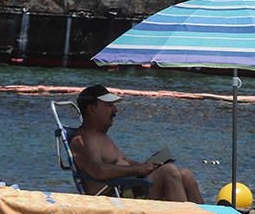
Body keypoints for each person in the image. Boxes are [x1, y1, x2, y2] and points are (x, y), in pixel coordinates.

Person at [70, 84, 204, 203]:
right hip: (112, 198)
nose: (115, 110)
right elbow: (98, 170)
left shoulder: (101, 137)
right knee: (168, 171)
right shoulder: (82, 140)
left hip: (125, 188)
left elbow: (123, 164)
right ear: (91, 109)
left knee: (186, 174)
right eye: (109, 105)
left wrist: (148, 166)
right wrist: (138, 169)